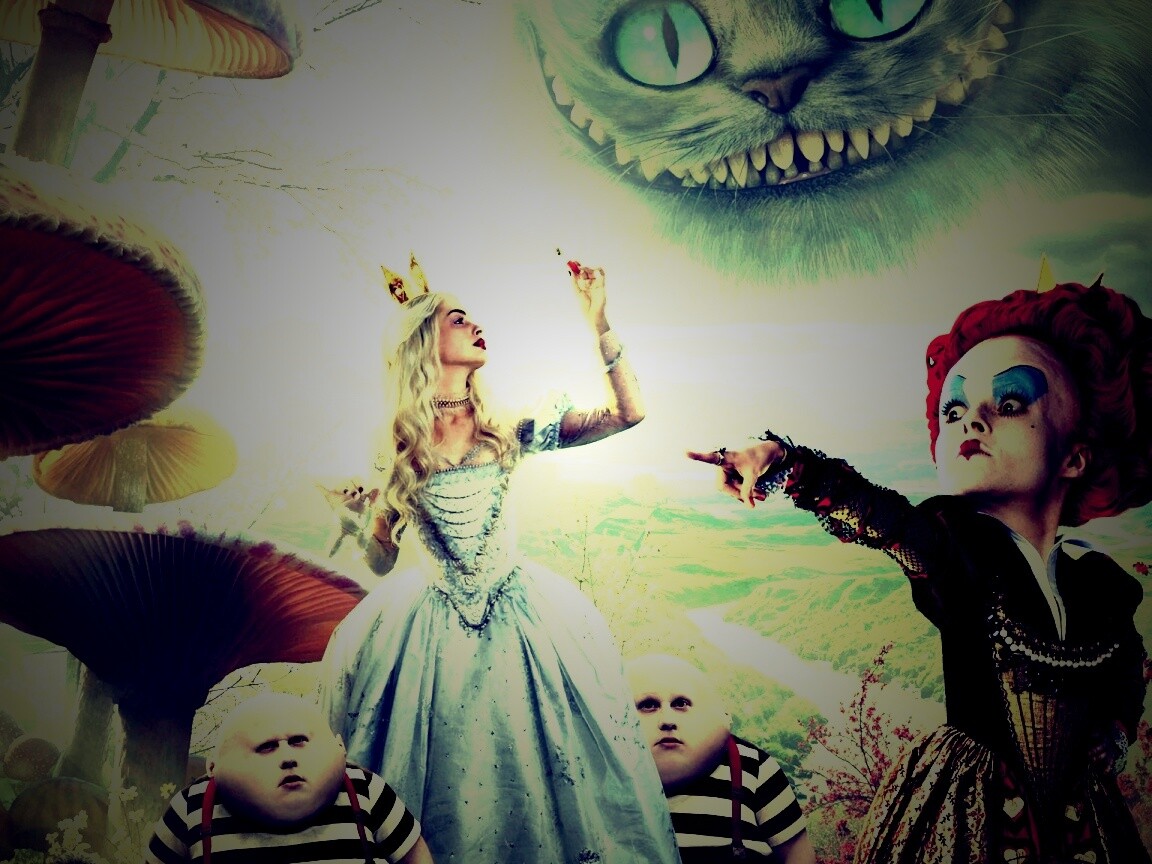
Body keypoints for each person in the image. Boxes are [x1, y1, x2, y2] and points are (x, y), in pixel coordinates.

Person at [687, 279, 1152, 863]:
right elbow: (880, 516)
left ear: (1076, 457)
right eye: (954, 410)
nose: (971, 422)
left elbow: (1126, 669)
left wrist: (1115, 732)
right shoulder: (953, 549)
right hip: (973, 807)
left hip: (1082, 815)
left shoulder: (1101, 583)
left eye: (1009, 404)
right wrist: (784, 462)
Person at [316, 257, 680, 863]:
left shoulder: (507, 428)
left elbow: (628, 414)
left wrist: (599, 321)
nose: (477, 325)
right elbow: (380, 564)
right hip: (426, 639)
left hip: (525, 627)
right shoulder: (395, 448)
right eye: (459, 319)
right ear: (423, 342)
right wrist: (358, 519)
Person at [144, 691, 434, 863]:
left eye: (298, 741)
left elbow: (414, 856)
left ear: (339, 746)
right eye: (267, 747)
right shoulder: (193, 807)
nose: (287, 758)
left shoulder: (365, 791)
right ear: (213, 768)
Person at [625, 653, 816, 863]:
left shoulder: (753, 766)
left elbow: (797, 854)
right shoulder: (607, 771)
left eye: (680, 703)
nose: (667, 720)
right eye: (648, 705)